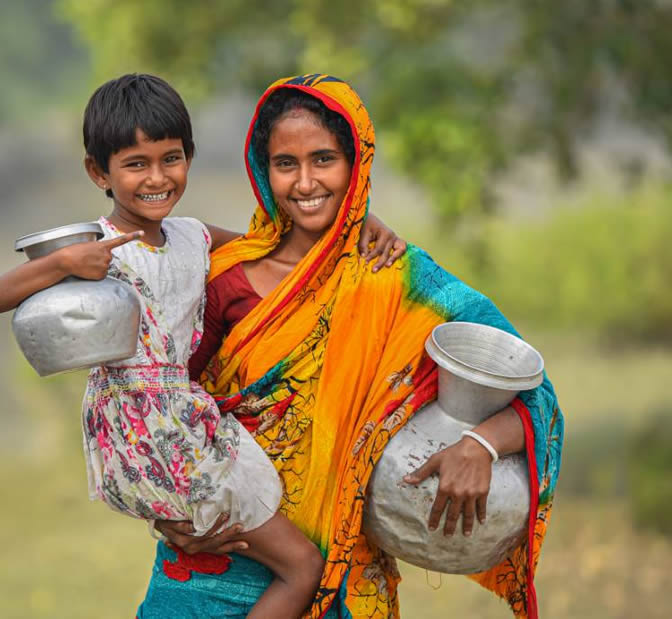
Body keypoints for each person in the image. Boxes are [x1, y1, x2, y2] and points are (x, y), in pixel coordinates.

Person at [0, 74, 407, 619]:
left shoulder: (192, 236)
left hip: (183, 422)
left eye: (171, 158)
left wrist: (361, 218)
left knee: (260, 537)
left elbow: (275, 242)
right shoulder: (94, 245)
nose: (157, 177)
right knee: (302, 568)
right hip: (156, 431)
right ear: (98, 172)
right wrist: (63, 264)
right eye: (136, 164)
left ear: (189, 157)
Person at [144, 75, 564, 619]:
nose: (304, 182)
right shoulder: (225, 276)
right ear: (262, 170)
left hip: (340, 578)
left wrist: (479, 445)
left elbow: (533, 392)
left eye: (324, 159)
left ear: (357, 165)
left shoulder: (400, 281)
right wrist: (163, 506)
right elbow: (160, 404)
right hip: (209, 564)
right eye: (285, 163)